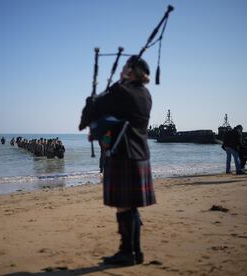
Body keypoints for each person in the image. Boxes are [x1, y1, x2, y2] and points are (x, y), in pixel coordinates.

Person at [79, 55, 155, 266]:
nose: (121, 70)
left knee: (123, 205)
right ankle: (135, 252)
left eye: (124, 67)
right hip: (140, 153)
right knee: (131, 206)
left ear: (130, 71)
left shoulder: (121, 90)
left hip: (123, 153)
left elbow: (97, 107)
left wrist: (91, 103)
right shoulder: (145, 94)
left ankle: (126, 252)